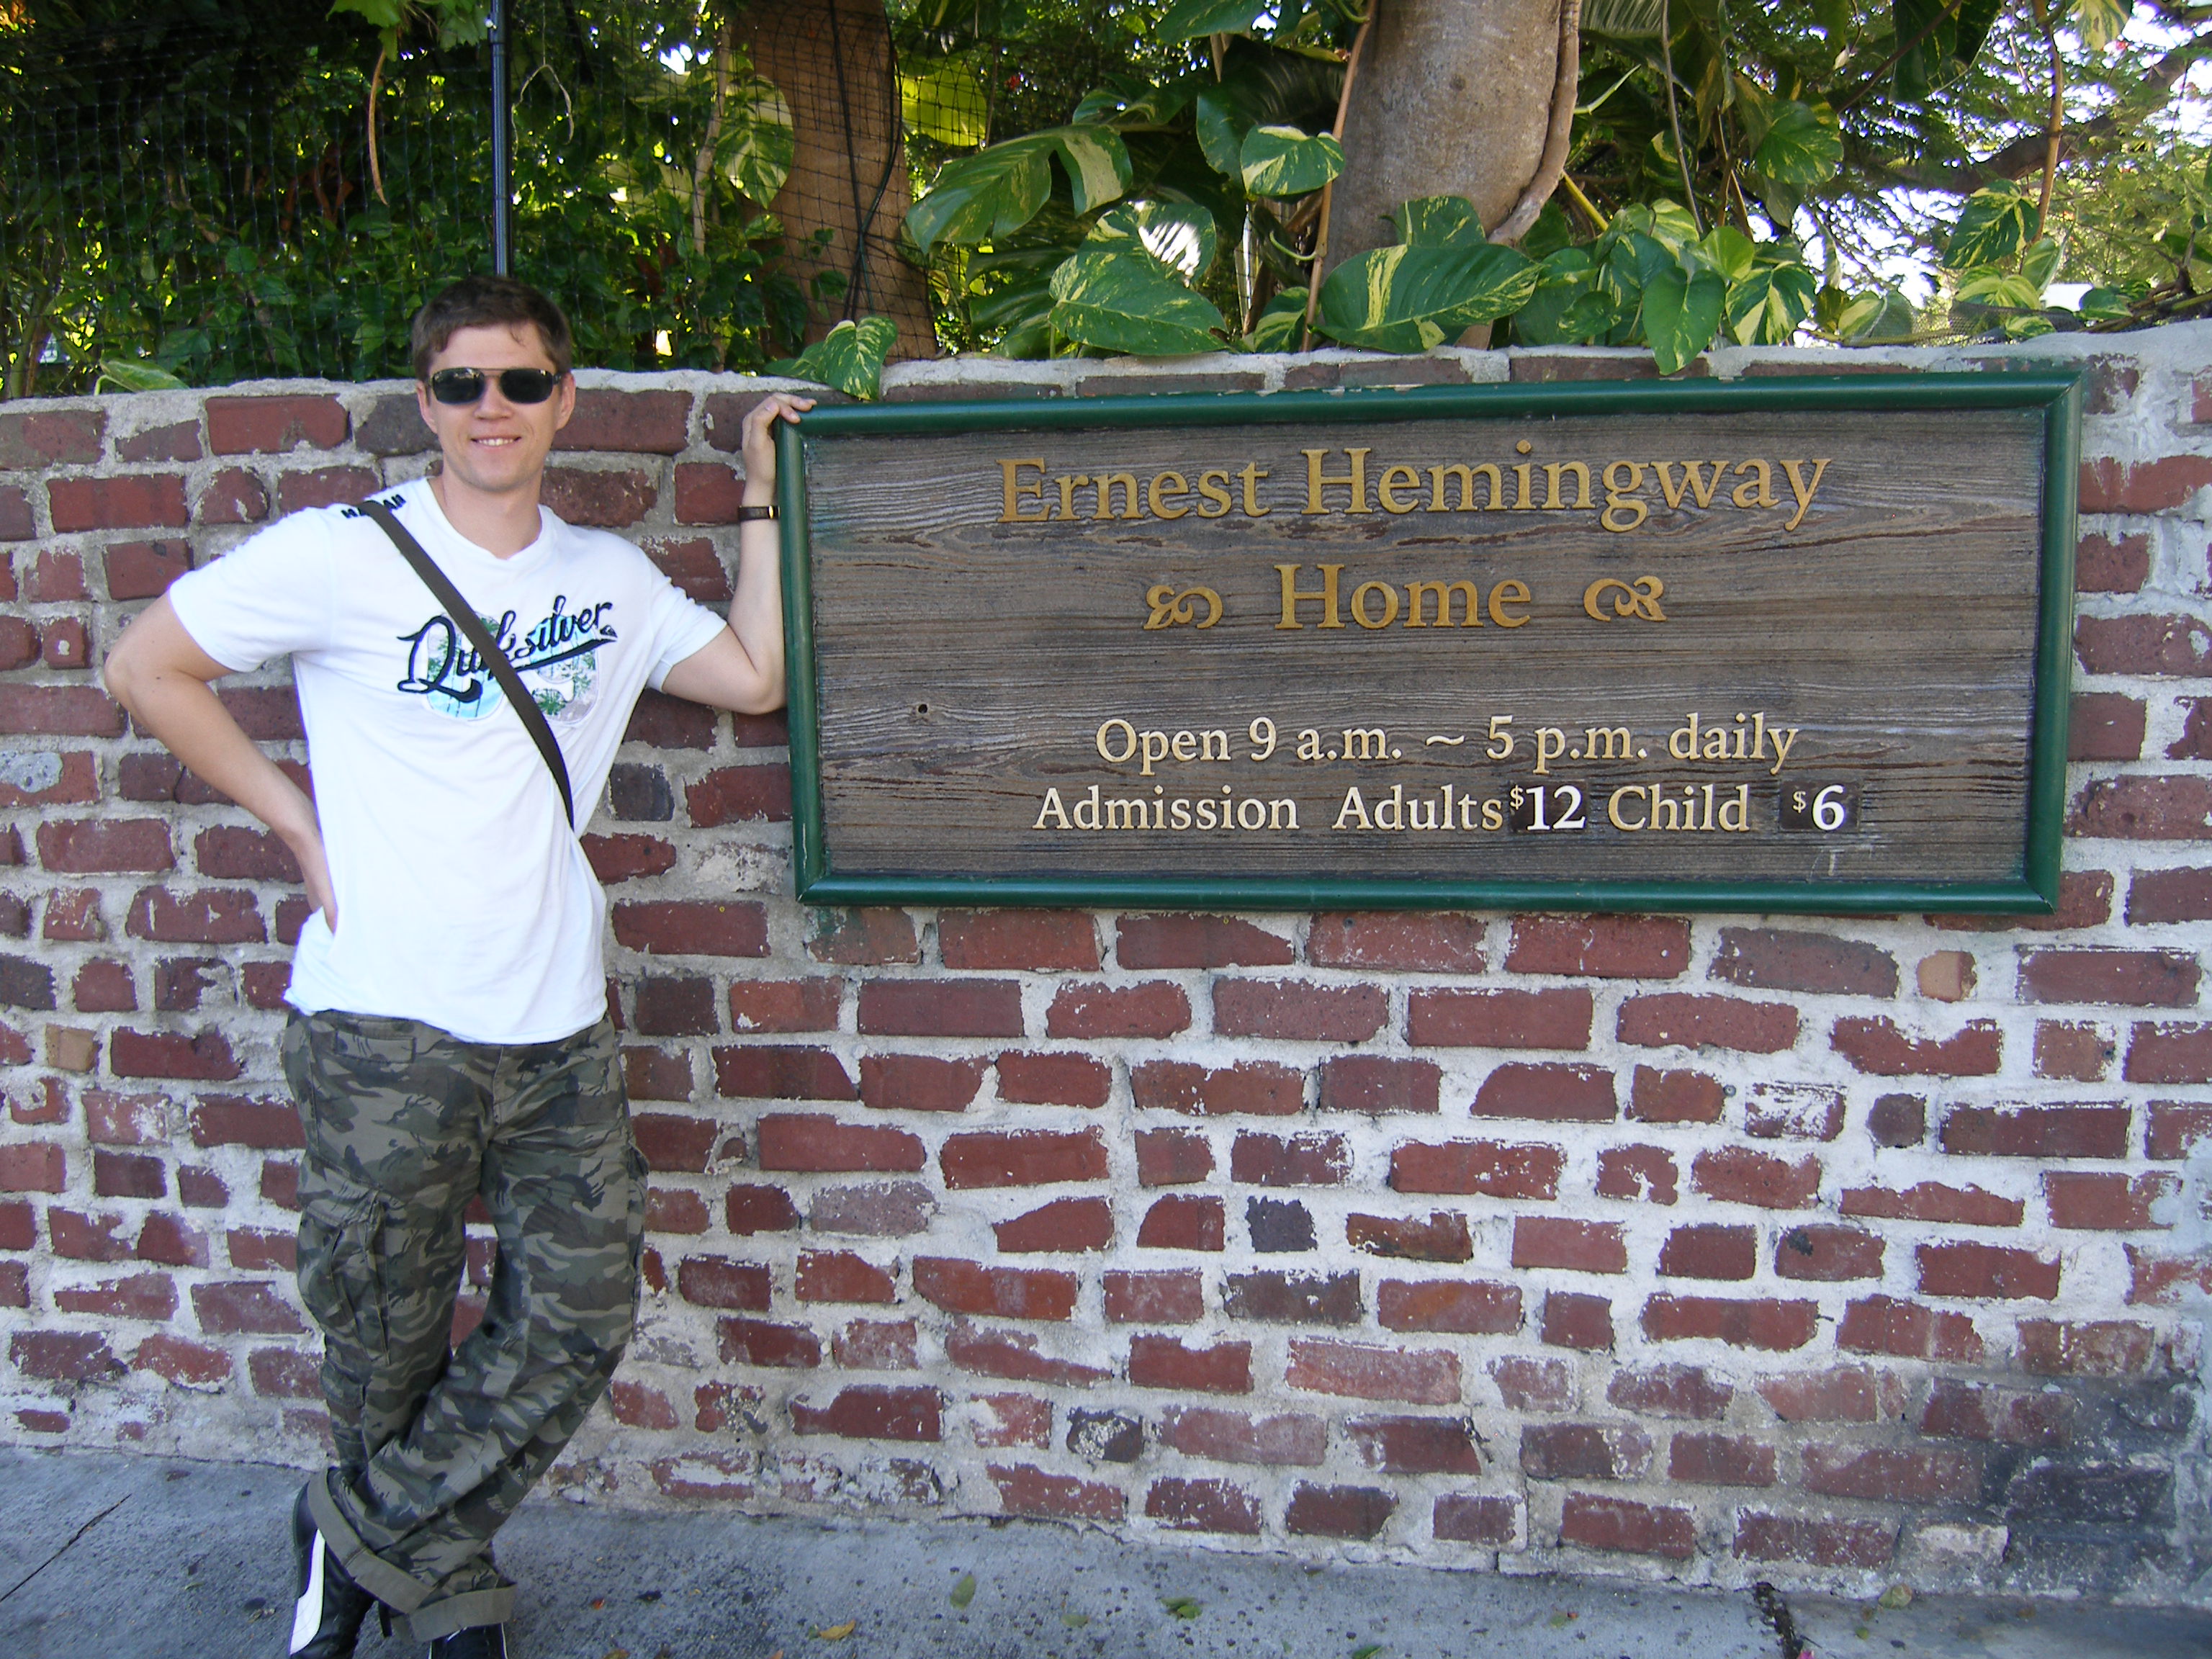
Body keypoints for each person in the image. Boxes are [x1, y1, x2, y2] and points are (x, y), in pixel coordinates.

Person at [103, 274, 811, 1659]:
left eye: (523, 382)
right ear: (426, 402)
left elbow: (754, 677)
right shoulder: (341, 554)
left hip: (555, 1019)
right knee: (386, 1328)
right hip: (383, 1020)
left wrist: (757, 495)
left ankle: (354, 1530)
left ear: (564, 400)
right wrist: (296, 823)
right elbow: (146, 667)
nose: (495, 408)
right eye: (463, 384)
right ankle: (448, 1589)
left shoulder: (606, 578)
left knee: (580, 1311)